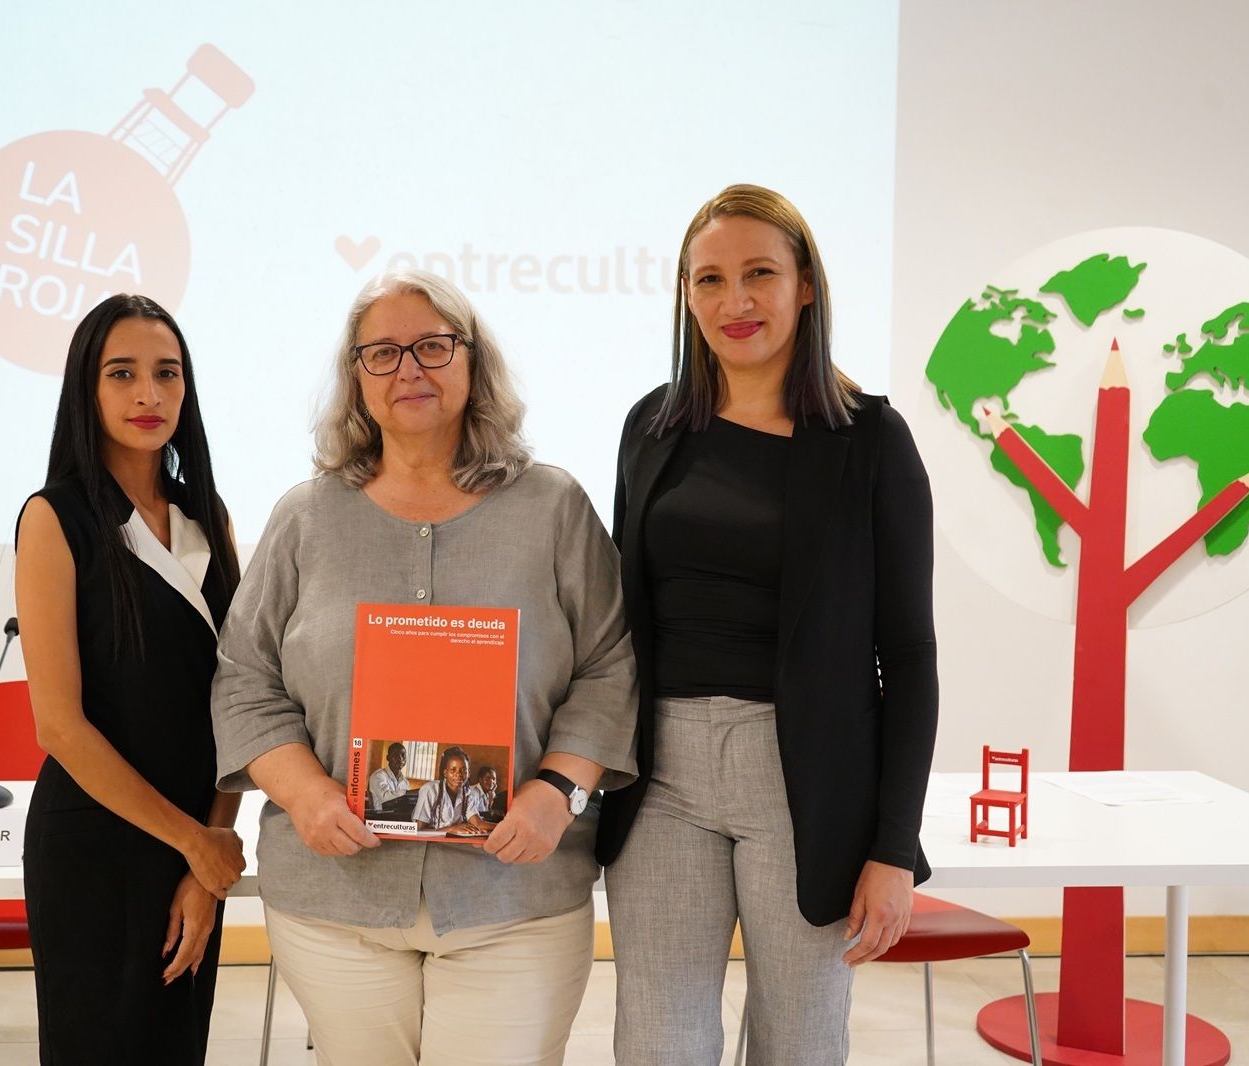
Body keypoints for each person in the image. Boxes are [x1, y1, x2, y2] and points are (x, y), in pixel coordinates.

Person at [212, 269, 637, 1066]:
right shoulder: (305, 517)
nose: (410, 368)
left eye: (434, 346)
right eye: (383, 353)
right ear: (356, 380)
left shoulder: (554, 508)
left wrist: (559, 792)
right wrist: (303, 794)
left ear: (473, 364)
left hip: (515, 896)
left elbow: (610, 664)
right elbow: (243, 675)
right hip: (335, 899)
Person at [596, 184, 937, 1065]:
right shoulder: (652, 425)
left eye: (759, 274)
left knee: (801, 1043)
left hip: (807, 785)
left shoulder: (871, 441)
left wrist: (894, 848)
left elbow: (908, 656)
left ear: (806, 286)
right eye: (709, 279)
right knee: (657, 1042)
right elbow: (617, 618)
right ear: (684, 295)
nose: (734, 301)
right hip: (662, 772)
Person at [15, 294, 246, 1064]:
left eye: (166, 373)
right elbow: (60, 726)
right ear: (88, 388)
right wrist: (196, 842)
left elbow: (239, 700)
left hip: (192, 849)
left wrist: (208, 854)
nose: (149, 394)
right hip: (95, 850)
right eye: (123, 374)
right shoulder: (56, 519)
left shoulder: (206, 518)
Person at [411, 745, 487, 831]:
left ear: (468, 773)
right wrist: (453, 829)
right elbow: (419, 830)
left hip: (451, 841)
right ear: (445, 773)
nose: (459, 774)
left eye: (463, 770)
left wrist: (504, 827)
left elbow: (478, 823)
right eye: (453, 770)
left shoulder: (467, 793)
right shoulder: (430, 790)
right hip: (427, 842)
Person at [366, 741, 410, 811]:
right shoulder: (378, 776)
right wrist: (407, 793)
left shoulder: (405, 782)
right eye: (395, 755)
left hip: (398, 817)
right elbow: (386, 798)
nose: (400, 759)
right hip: (380, 817)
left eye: (403, 755)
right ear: (388, 758)